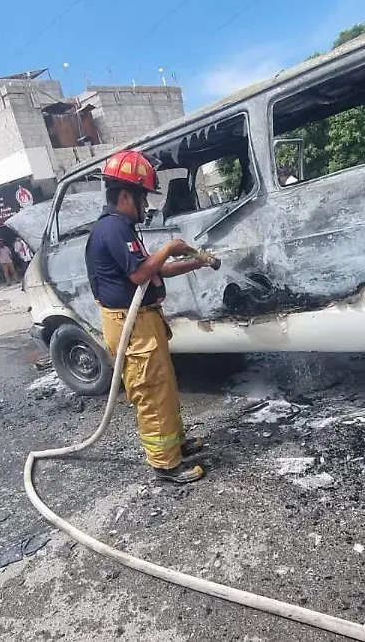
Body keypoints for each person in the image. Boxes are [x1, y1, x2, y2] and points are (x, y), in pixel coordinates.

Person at [85, 150, 218, 484]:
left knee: (164, 387)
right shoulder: (113, 229)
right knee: (151, 392)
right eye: (142, 197)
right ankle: (165, 464)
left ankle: (175, 445)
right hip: (130, 326)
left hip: (143, 321)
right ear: (125, 196)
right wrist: (169, 247)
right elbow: (139, 274)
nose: (146, 205)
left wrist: (196, 261)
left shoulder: (124, 228)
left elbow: (155, 270)